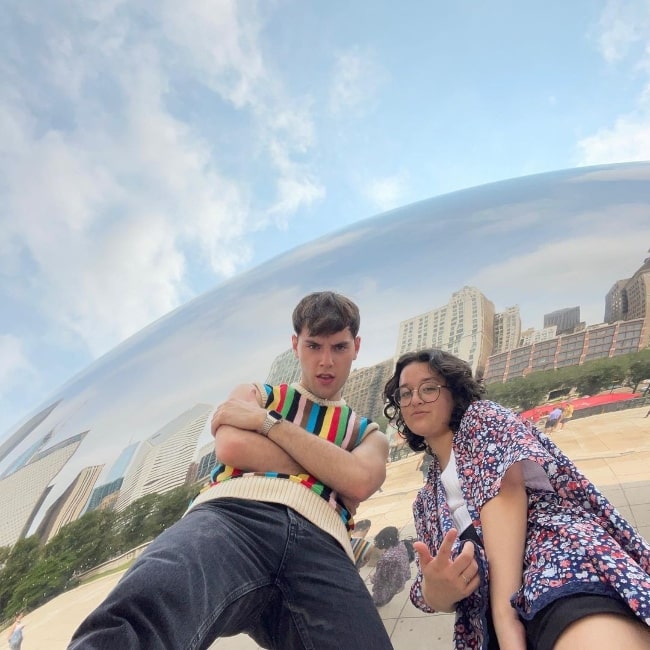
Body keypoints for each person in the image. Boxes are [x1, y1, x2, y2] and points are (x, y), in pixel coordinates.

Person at [68, 291, 393, 650]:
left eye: (339, 347)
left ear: (357, 346)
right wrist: (332, 471)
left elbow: (360, 481)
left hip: (324, 541)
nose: (326, 361)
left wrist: (266, 424)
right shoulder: (258, 393)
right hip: (230, 516)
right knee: (140, 611)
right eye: (314, 346)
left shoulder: (368, 432)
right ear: (295, 345)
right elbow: (232, 447)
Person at [383, 348, 650, 650]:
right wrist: (437, 589)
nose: (415, 399)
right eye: (405, 394)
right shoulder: (424, 503)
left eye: (428, 388)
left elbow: (502, 493)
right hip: (485, 619)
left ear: (454, 392)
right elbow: (429, 592)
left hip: (557, 565)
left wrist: (505, 621)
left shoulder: (482, 419)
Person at [370, 526, 412, 608]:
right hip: (399, 581)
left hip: (385, 586)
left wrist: (373, 579)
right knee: (390, 595)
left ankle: (377, 605)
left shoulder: (385, 559)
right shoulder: (401, 545)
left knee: (377, 601)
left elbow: (379, 577)